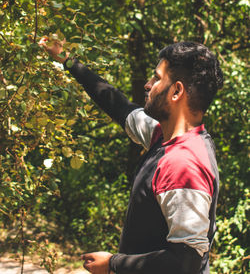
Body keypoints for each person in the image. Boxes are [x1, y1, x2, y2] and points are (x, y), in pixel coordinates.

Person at [39, 37, 223, 274]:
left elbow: (187, 261)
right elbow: (119, 106)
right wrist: (68, 60)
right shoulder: (162, 135)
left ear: (176, 91)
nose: (147, 84)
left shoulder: (183, 164)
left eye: (156, 78)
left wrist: (114, 264)